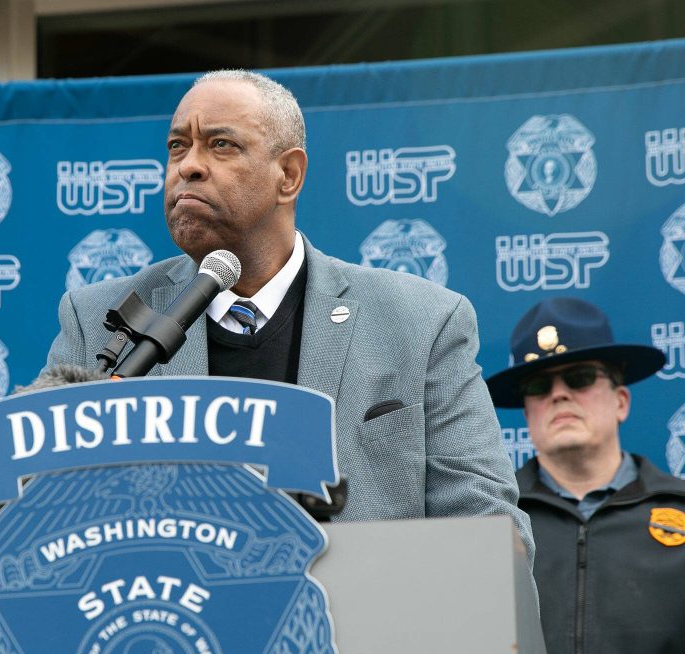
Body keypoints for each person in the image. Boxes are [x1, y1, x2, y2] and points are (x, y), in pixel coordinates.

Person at [43, 69, 535, 561]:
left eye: (220, 145)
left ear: (289, 175)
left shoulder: (424, 323)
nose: (187, 166)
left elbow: (491, 534)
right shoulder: (95, 321)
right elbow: (31, 514)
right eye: (177, 146)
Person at [486, 296, 685, 654]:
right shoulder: (489, 522)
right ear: (528, 414)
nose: (559, 394)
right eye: (539, 385)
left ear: (621, 401)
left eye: (579, 378)